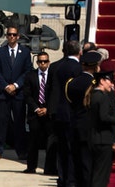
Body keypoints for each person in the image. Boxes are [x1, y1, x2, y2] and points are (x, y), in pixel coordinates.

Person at [0, 26, 32, 160]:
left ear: (18, 36)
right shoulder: (0, 52)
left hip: (18, 94)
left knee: (19, 124)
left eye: (14, 35)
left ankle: (21, 151)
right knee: (1, 123)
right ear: (6, 36)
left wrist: (15, 85)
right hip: (3, 93)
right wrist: (6, 87)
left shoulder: (25, 52)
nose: (12, 37)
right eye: (9, 35)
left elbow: (27, 71)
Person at [66, 50, 104, 187]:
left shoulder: (72, 83)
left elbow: (70, 100)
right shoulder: (94, 84)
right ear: (96, 66)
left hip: (74, 124)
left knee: (73, 158)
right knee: (87, 161)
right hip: (89, 128)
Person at [48, 40, 82, 187]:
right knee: (71, 149)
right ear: (79, 52)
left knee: (61, 149)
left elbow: (52, 90)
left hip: (59, 113)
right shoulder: (78, 68)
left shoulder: (57, 67)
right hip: (72, 114)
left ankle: (62, 178)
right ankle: (71, 179)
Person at [86, 70, 115, 187]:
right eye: (110, 81)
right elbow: (104, 117)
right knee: (101, 176)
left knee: (95, 173)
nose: (111, 84)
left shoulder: (93, 95)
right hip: (103, 140)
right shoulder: (102, 97)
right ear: (102, 81)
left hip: (94, 139)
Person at [23, 51, 57, 175]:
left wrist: (48, 108)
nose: (43, 64)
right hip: (35, 114)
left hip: (49, 114)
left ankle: (49, 168)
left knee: (51, 142)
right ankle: (31, 167)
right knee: (33, 142)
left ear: (49, 62)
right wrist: (36, 109)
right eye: (40, 61)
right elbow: (27, 95)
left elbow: (55, 94)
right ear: (37, 63)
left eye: (45, 61)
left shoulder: (53, 76)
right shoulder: (30, 76)